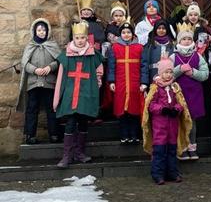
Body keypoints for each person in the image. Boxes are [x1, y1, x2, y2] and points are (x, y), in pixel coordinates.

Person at [53, 21, 104, 168]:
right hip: (70, 94)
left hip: (85, 94)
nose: (80, 41)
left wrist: (98, 80)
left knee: (83, 122)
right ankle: (67, 156)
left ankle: (79, 153)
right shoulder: (66, 54)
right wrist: (58, 97)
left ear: (86, 38)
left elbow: (99, 68)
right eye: (77, 38)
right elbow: (61, 76)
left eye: (82, 38)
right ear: (73, 39)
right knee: (70, 123)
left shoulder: (92, 54)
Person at [142, 58, 192, 185]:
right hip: (160, 126)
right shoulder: (155, 88)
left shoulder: (175, 87)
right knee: (159, 151)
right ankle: (158, 174)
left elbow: (181, 103)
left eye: (170, 72)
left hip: (172, 125)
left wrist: (177, 109)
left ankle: (172, 173)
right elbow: (151, 105)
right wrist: (162, 109)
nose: (168, 75)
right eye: (166, 72)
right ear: (160, 73)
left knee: (171, 150)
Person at [17, 18, 61, 144]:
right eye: (39, 30)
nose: (41, 32)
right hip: (34, 82)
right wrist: (35, 70)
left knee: (52, 108)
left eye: (43, 30)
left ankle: (54, 134)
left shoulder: (52, 45)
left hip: (49, 82)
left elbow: (59, 60)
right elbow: (24, 63)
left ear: (47, 31)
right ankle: (30, 135)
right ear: (34, 31)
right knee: (32, 109)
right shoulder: (30, 46)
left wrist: (50, 67)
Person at [170, 24, 209, 160]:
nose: (186, 41)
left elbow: (205, 74)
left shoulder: (197, 56)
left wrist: (193, 72)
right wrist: (179, 69)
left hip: (194, 95)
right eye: (183, 39)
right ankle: (182, 148)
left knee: (192, 122)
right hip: (179, 94)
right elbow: (167, 75)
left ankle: (192, 147)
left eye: (188, 39)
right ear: (178, 41)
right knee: (180, 121)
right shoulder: (173, 57)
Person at [107, 18, 145, 144]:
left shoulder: (140, 47)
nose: (126, 35)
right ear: (120, 34)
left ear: (133, 34)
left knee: (134, 110)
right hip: (121, 83)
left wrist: (143, 82)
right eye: (124, 32)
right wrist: (111, 81)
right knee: (122, 110)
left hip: (135, 83)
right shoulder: (115, 48)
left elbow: (143, 66)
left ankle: (134, 135)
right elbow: (111, 66)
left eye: (128, 32)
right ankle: (124, 134)